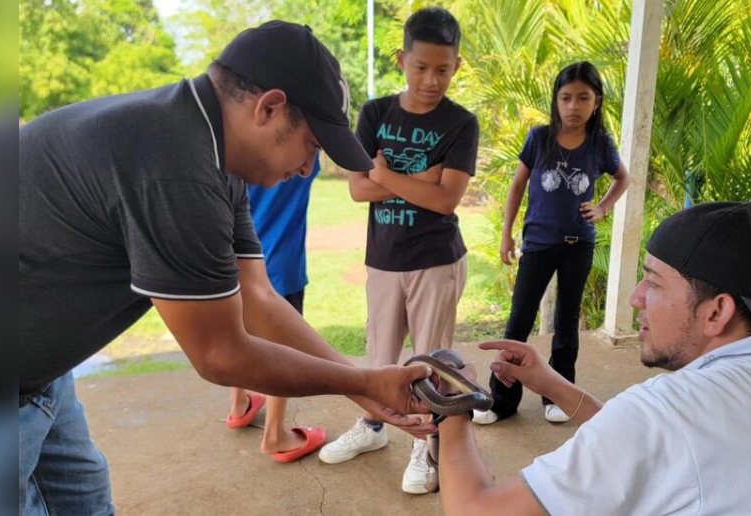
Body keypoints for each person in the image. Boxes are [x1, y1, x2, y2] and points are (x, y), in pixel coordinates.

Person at [18, 21, 435, 516]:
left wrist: (361, 384)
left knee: (83, 501)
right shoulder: (176, 165)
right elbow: (220, 355)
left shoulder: (209, 150)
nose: (308, 168)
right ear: (269, 108)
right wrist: (363, 384)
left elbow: (257, 298)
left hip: (38, 373)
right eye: (312, 144)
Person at [438, 201, 751, 515]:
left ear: (717, 313)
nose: (636, 298)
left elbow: (476, 509)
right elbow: (647, 449)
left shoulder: (669, 413)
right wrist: (552, 385)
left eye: (653, 283)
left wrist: (453, 400)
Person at [317, 7, 479, 495]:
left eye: (443, 69)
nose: (432, 80)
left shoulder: (461, 123)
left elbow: (447, 199)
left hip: (437, 261)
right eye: (421, 67)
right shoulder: (376, 113)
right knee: (380, 356)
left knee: (431, 361)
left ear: (456, 66)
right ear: (401, 60)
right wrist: (420, 179)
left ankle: (425, 448)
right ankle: (372, 427)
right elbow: (356, 190)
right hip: (384, 259)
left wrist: (386, 175)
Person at [474, 61, 630, 425]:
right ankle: (501, 399)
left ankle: (557, 396)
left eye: (583, 98)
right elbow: (516, 187)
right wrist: (506, 234)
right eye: (565, 98)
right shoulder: (539, 138)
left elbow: (622, 178)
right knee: (518, 322)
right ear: (555, 101)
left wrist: (603, 207)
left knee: (565, 323)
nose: (573, 106)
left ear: (597, 102)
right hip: (538, 245)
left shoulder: (600, 144)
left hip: (579, 245)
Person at [226, 156, 327, 463]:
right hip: (281, 272)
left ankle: (239, 405)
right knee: (281, 350)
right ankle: (274, 436)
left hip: (235, 268)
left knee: (239, 336)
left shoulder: (237, 160)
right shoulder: (303, 161)